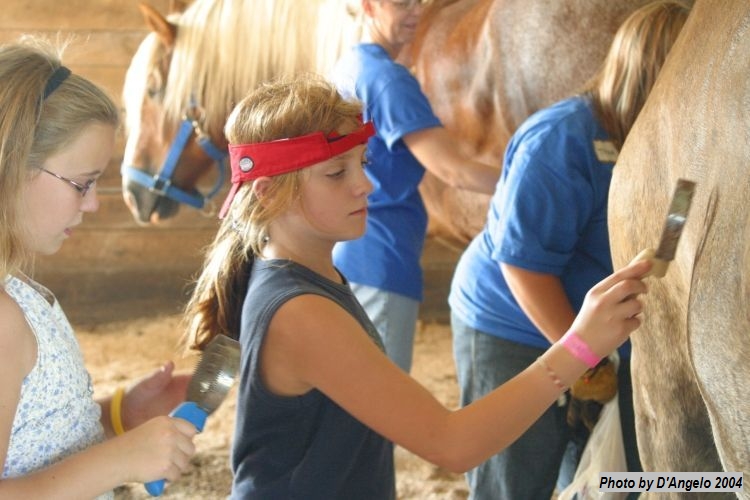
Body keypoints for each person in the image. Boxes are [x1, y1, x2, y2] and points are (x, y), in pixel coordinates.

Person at [182, 74, 652, 499]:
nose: (365, 185)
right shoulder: (300, 311)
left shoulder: (308, 273)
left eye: (361, 163)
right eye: (336, 172)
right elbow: (451, 444)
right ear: (268, 193)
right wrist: (580, 347)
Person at [447, 1, 691, 498]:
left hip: (599, 333)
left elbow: (671, 235)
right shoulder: (562, 138)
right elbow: (521, 266)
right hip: (511, 324)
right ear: (654, 73)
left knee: (601, 480)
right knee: (515, 481)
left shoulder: (668, 143)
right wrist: (585, 357)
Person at [0, 38, 198, 499]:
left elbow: (34, 443)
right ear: (11, 166)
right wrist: (121, 459)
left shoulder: (18, 292)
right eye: (82, 183)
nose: (91, 204)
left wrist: (119, 416)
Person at [328, 0, 500, 372]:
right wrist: (526, 181)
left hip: (350, 252)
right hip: (383, 259)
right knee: (382, 402)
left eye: (418, 1)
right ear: (370, 7)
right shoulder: (389, 80)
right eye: (401, 3)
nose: (415, 12)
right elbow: (454, 171)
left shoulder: (349, 66)